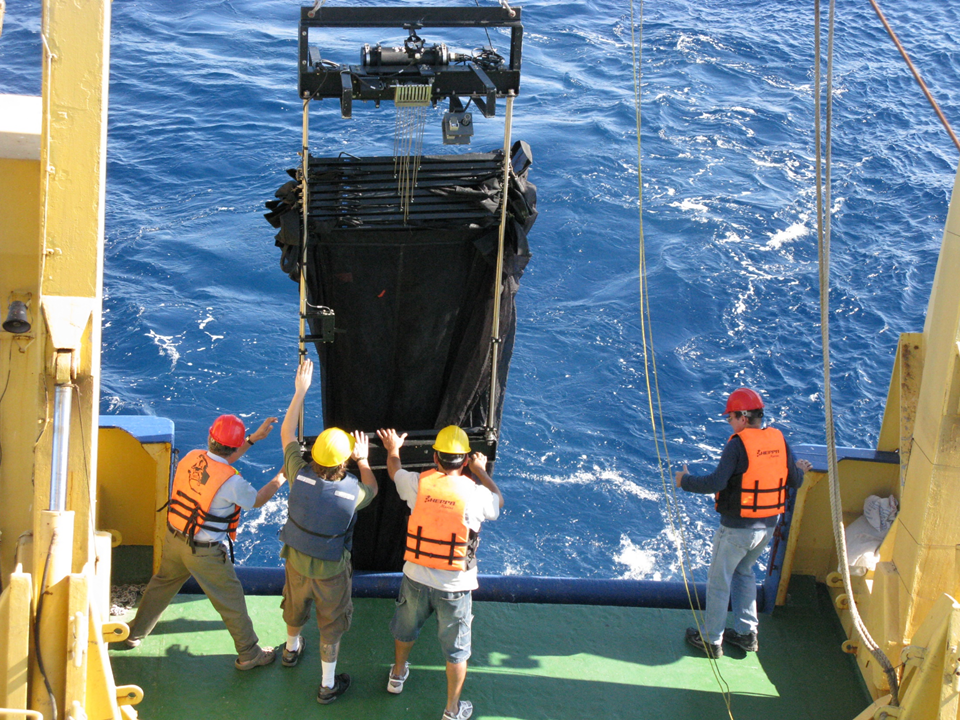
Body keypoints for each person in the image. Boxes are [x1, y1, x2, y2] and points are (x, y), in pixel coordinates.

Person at [125, 413, 285, 670]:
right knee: (231, 601)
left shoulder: (191, 457)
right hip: (205, 553)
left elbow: (222, 460)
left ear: (211, 438)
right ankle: (249, 654)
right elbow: (256, 500)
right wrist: (281, 477)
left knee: (162, 584)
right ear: (232, 446)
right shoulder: (233, 482)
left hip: (175, 539)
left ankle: (134, 634)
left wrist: (253, 439)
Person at [674, 387, 812, 658]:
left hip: (737, 529)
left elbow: (716, 483)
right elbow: (794, 480)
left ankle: (712, 640)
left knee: (719, 581)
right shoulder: (779, 440)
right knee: (744, 573)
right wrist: (800, 470)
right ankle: (748, 634)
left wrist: (684, 481)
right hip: (767, 527)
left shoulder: (738, 445)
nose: (730, 423)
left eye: (730, 418)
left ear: (743, 417)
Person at [377, 425, 503, 720]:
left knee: (405, 628)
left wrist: (393, 448)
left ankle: (397, 676)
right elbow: (498, 502)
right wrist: (482, 471)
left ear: (435, 458)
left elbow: (394, 470)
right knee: (457, 650)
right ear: (464, 461)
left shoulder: (418, 484)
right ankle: (451, 709)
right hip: (455, 585)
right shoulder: (476, 494)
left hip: (416, 578)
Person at [277, 359, 378, 705]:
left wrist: (300, 392)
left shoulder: (297, 472)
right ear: (344, 462)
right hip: (331, 570)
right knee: (330, 625)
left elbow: (287, 434)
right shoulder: (352, 493)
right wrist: (364, 460)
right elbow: (373, 490)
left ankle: (290, 650)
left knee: (293, 606)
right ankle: (327, 685)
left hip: (295, 560)